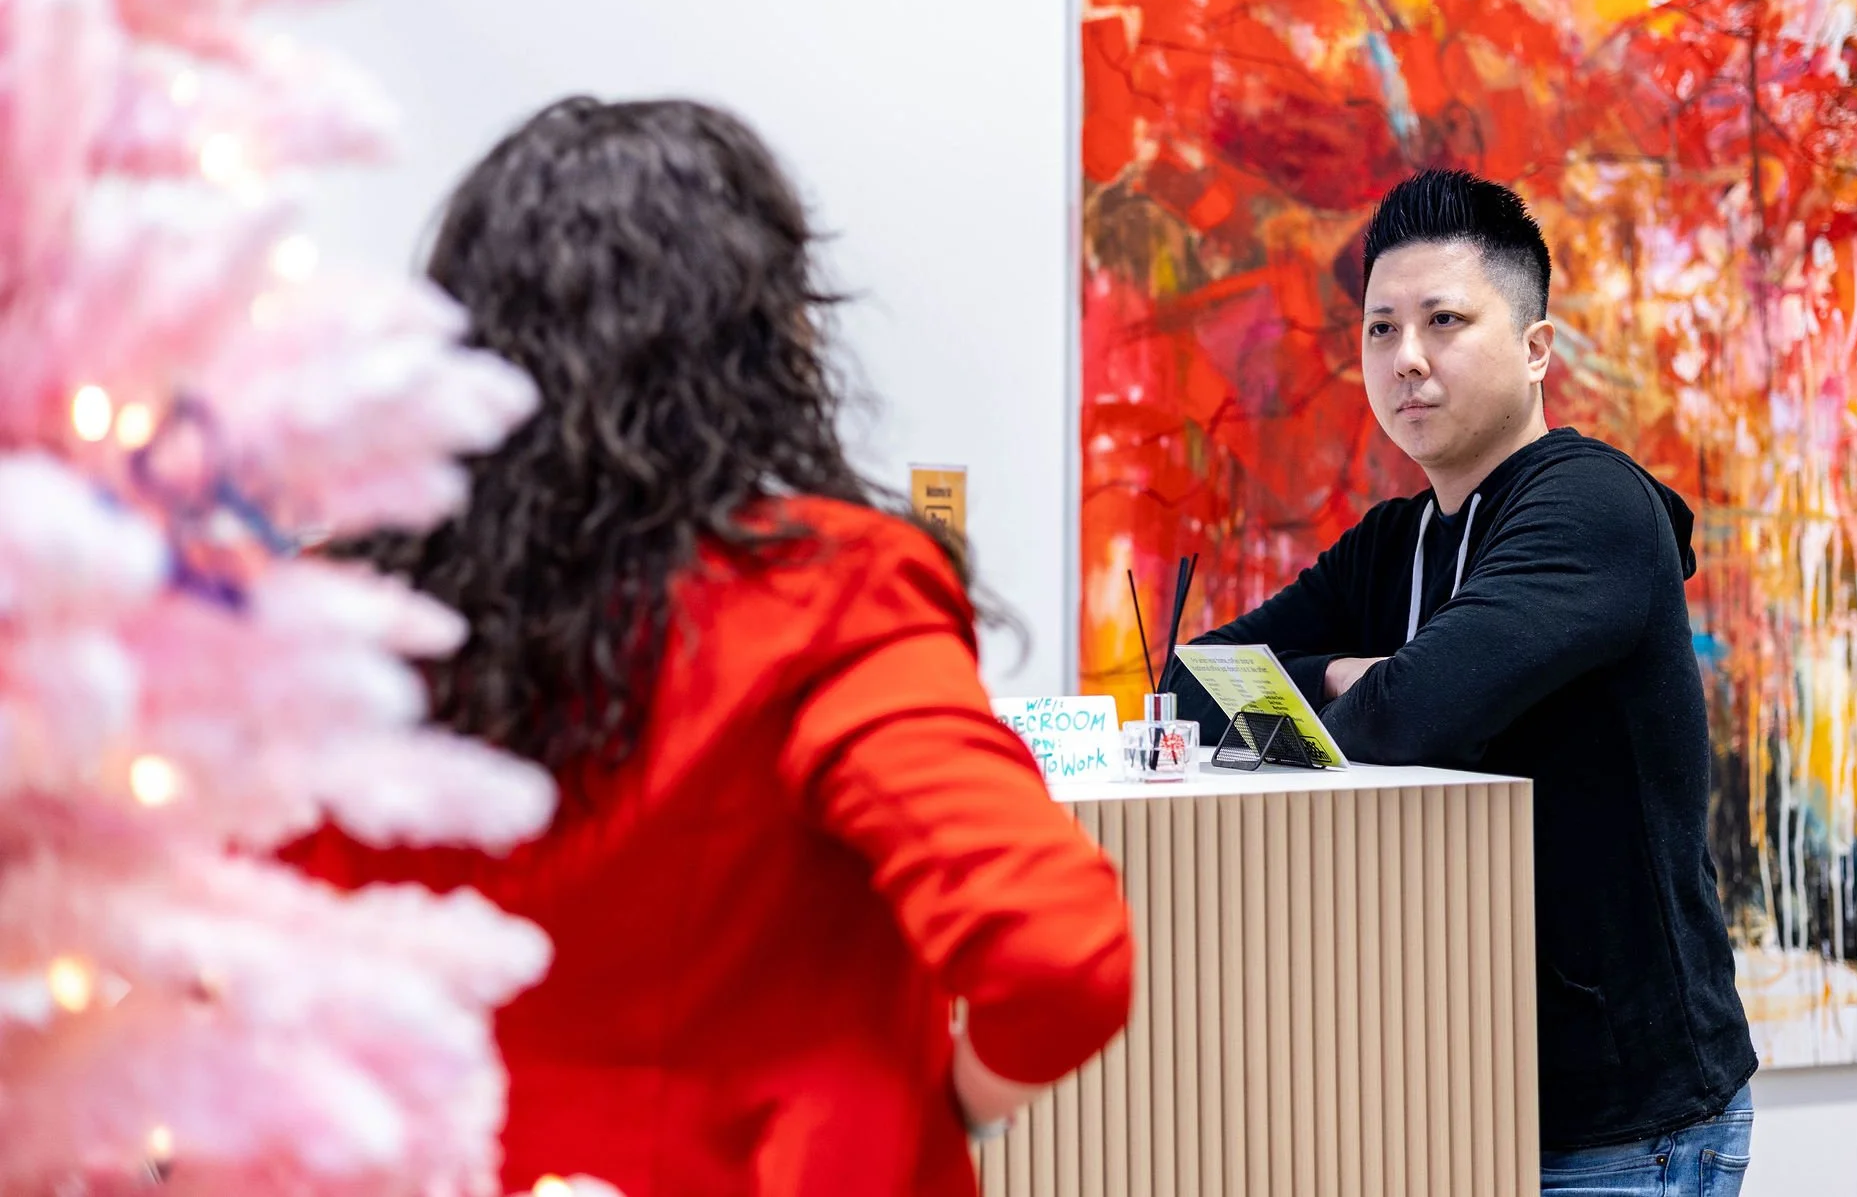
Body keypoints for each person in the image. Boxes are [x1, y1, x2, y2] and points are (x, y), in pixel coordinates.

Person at [293, 97, 1134, 1197]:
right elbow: (1056, 954)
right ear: (762, 338)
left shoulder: (335, 617)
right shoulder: (826, 594)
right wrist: (954, 1100)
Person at [1163, 169, 1757, 1193]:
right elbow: (1189, 686)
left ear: (1534, 350)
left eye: (1443, 321)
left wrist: (1371, 690)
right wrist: (1356, 671)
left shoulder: (1589, 508)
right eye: (1380, 329)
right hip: (1449, 1095)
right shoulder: (1395, 542)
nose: (1407, 361)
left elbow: (1413, 715)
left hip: (1622, 1123)